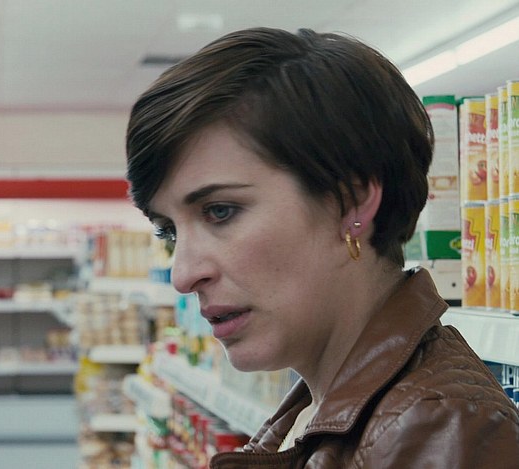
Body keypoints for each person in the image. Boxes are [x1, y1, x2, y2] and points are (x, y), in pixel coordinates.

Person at [126, 27, 519, 468]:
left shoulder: (434, 430)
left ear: (351, 202)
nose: (183, 275)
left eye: (220, 212)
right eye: (169, 231)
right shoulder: (322, 408)